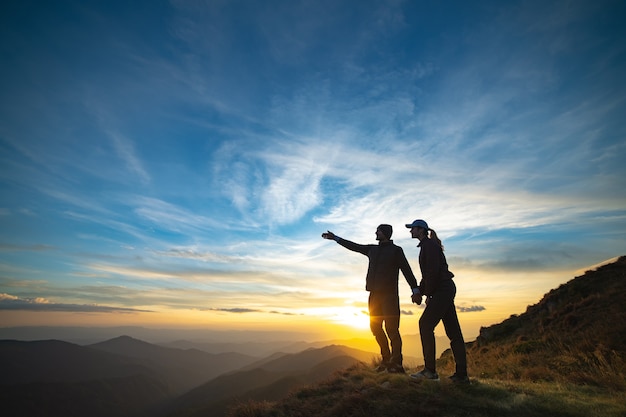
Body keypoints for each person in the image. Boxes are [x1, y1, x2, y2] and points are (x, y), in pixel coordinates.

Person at [322, 224, 420, 373]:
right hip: (374, 295)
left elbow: (407, 270)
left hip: (390, 296)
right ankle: (386, 360)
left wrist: (415, 289)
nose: (376, 232)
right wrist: (336, 238)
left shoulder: (396, 251)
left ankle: (397, 364)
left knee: (392, 329)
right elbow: (354, 246)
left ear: (385, 233)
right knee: (375, 328)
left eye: (378, 230)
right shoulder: (372, 249)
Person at [405, 219, 469, 384]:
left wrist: (425, 293)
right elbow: (429, 275)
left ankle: (430, 371)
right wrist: (422, 291)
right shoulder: (428, 245)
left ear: (421, 230)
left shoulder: (429, 246)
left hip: (442, 289)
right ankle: (461, 375)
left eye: (413, 228)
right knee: (453, 332)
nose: (410, 231)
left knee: (425, 324)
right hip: (444, 289)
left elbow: (432, 273)